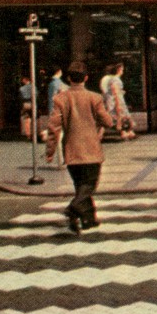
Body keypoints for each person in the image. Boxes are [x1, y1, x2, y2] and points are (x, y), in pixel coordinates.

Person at [45, 61, 113, 233]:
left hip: (72, 149)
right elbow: (108, 121)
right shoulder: (94, 98)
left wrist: (50, 151)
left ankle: (88, 219)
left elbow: (54, 127)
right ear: (86, 78)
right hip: (91, 149)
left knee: (80, 185)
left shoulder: (60, 99)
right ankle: (74, 207)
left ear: (69, 78)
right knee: (89, 185)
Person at [102, 62, 136, 140]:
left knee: (120, 117)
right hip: (117, 100)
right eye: (122, 69)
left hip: (116, 100)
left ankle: (126, 132)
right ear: (118, 70)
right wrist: (118, 103)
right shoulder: (115, 80)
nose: (122, 71)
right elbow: (115, 92)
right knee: (120, 116)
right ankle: (126, 132)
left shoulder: (113, 79)